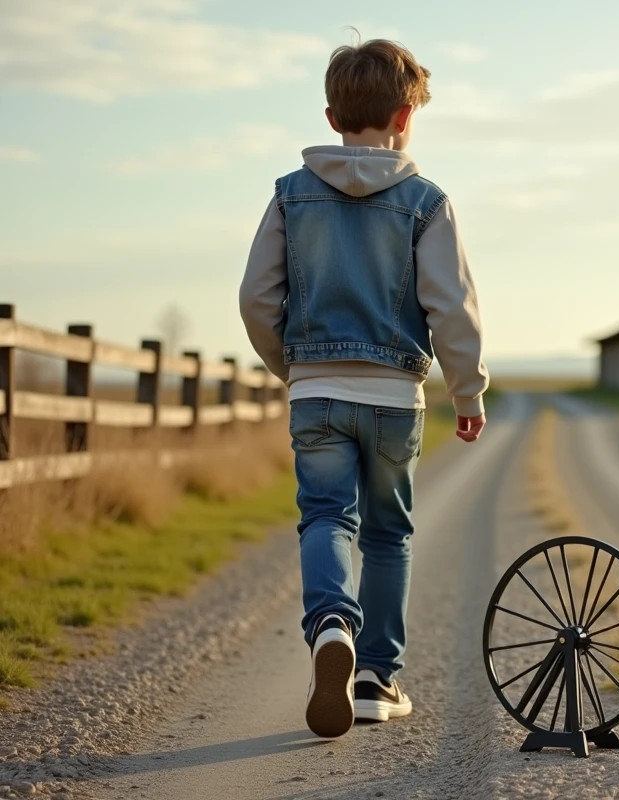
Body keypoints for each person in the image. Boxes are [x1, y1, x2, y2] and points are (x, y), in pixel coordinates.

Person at [238, 37, 488, 739]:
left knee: (325, 517)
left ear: (330, 116)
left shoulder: (290, 196)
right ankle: (377, 677)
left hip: (315, 390)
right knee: (388, 532)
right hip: (391, 399)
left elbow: (257, 299)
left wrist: (295, 367)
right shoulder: (425, 202)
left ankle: (329, 629)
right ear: (406, 117)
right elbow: (452, 305)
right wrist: (467, 392)